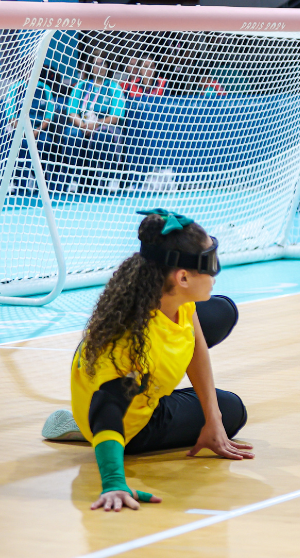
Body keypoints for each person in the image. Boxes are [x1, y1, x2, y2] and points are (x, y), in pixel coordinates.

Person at [39, 209, 252, 512]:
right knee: (234, 410)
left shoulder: (170, 291)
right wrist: (114, 482)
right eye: (210, 264)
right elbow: (108, 408)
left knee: (223, 311)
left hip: (99, 376)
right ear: (183, 277)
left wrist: (211, 418)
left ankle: (103, 415)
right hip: (125, 421)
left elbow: (195, 339)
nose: (216, 272)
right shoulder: (133, 347)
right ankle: (90, 433)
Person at [66, 50, 126, 194]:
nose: (99, 67)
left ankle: (110, 178)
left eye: (102, 64)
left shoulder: (114, 88)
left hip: (106, 126)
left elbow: (116, 116)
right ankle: (75, 178)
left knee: (102, 136)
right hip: (82, 125)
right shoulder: (80, 86)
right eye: (95, 64)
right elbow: (72, 112)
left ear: (107, 66)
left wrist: (97, 124)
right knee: (72, 136)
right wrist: (82, 125)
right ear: (90, 66)